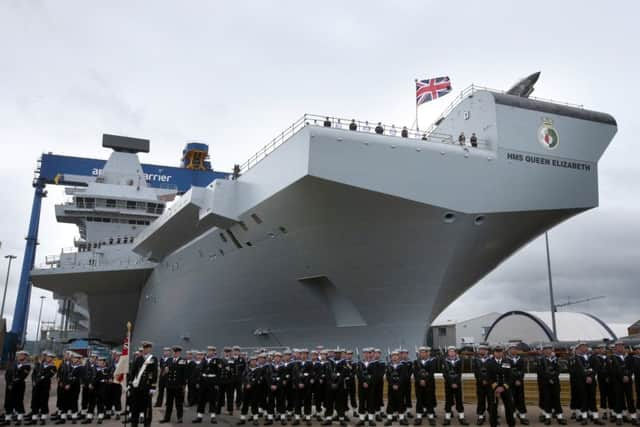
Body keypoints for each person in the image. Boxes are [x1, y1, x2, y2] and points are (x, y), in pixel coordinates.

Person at [570, 342, 603, 425]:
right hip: (581, 382)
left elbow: (596, 367)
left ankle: (595, 417)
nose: (584, 348)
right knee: (583, 399)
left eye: (586, 346)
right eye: (582, 346)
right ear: (579, 348)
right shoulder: (576, 358)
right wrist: (586, 377)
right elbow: (577, 371)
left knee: (592, 399)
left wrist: (591, 377)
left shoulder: (592, 357)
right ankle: (584, 417)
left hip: (591, 381)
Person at [128, 341, 158, 427]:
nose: (145, 349)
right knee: (135, 406)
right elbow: (133, 372)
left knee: (147, 407)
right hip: (137, 386)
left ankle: (147, 423)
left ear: (150, 349)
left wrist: (153, 387)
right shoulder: (138, 358)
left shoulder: (153, 359)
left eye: (147, 348)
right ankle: (134, 423)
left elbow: (155, 373)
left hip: (147, 386)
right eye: (144, 348)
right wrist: (130, 384)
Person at [537, 344, 567, 425]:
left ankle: (560, 417)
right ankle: (547, 417)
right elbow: (540, 372)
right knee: (547, 400)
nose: (547, 351)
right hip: (545, 383)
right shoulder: (540, 360)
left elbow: (558, 370)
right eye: (546, 349)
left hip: (555, 383)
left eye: (549, 349)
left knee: (557, 400)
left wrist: (553, 378)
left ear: (552, 350)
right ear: (543, 351)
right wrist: (549, 379)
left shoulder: (556, 359)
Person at [609, 342, 637, 426]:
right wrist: (622, 377)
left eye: (622, 346)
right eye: (618, 346)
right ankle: (619, 417)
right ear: (615, 348)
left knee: (630, 399)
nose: (620, 348)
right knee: (619, 400)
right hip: (617, 382)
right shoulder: (612, 358)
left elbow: (632, 368)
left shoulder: (629, 357)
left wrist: (628, 375)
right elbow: (613, 370)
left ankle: (633, 418)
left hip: (628, 382)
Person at [486, 345, 515, 427]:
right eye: (496, 352)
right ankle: (493, 424)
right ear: (494, 353)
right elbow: (488, 377)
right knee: (493, 408)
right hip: (493, 388)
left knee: (509, 407)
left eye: (500, 351)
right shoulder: (489, 363)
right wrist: (496, 388)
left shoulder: (507, 362)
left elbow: (510, 377)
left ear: (502, 352)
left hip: (505, 388)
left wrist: (503, 387)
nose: (498, 353)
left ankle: (511, 424)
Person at [194, 346, 224, 424]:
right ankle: (199, 416)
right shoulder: (204, 360)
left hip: (212, 382)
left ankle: (213, 417)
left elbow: (219, 373)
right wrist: (198, 381)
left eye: (211, 351)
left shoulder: (218, 360)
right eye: (208, 350)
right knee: (201, 399)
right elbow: (199, 370)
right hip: (203, 382)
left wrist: (217, 384)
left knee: (212, 400)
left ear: (214, 352)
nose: (209, 352)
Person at [27, 351, 57, 426]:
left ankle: (43, 418)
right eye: (47, 357)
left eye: (50, 357)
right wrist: (33, 381)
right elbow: (33, 374)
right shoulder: (39, 365)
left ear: (52, 359)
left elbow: (48, 376)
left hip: (44, 387)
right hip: (36, 386)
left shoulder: (53, 367)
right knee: (35, 401)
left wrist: (40, 378)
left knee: (44, 402)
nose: (47, 358)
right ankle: (34, 418)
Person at [3, 350, 32, 426]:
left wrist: (12, 383)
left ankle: (19, 419)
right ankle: (7, 419)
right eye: (19, 355)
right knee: (8, 402)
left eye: (22, 355)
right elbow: (7, 374)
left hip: (19, 387)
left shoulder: (27, 366)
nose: (19, 356)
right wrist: (9, 383)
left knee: (18, 402)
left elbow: (22, 377)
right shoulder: (12, 363)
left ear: (25, 356)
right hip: (9, 386)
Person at [160, 346, 187, 424]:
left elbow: (184, 374)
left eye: (176, 352)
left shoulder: (183, 361)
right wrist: (165, 370)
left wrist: (184, 385)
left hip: (178, 386)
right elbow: (164, 371)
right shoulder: (169, 360)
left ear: (179, 353)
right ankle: (167, 418)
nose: (175, 353)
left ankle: (180, 418)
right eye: (174, 352)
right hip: (170, 385)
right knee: (169, 403)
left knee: (179, 403)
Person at [441, 347, 467, 426]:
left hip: (457, 384)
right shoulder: (444, 361)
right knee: (448, 401)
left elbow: (460, 373)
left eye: (453, 351)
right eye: (450, 351)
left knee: (459, 400)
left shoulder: (459, 361)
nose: (451, 353)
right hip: (448, 385)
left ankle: (461, 417)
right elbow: (444, 374)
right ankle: (447, 418)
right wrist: (451, 383)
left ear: (455, 352)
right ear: (448, 353)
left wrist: (456, 383)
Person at [55, 352, 83, 425]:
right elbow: (65, 375)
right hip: (66, 387)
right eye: (73, 358)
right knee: (64, 401)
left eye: (75, 358)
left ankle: (74, 417)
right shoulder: (69, 366)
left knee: (73, 402)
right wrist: (63, 382)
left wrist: (69, 384)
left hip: (75, 387)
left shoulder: (81, 367)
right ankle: (63, 418)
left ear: (79, 360)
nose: (74, 360)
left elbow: (77, 378)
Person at [413, 347, 436, 426]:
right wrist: (420, 380)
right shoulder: (416, 362)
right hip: (419, 385)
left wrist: (425, 380)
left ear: (427, 353)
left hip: (428, 384)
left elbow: (431, 373)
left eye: (424, 352)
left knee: (429, 400)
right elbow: (415, 373)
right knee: (419, 400)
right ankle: (419, 417)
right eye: (421, 352)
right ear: (419, 353)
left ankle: (431, 417)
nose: (422, 354)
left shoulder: (431, 362)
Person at [238, 356, 263, 426]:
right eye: (252, 361)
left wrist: (250, 384)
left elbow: (257, 378)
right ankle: (242, 419)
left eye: (255, 360)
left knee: (254, 404)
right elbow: (243, 378)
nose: (253, 362)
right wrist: (246, 384)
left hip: (255, 389)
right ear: (250, 361)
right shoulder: (246, 369)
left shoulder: (259, 369)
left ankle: (255, 419)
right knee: (245, 404)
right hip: (246, 389)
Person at [385, 351, 408, 426]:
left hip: (400, 387)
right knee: (391, 402)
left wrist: (397, 384)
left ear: (399, 357)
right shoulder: (389, 366)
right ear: (391, 357)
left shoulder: (403, 366)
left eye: (396, 355)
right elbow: (388, 377)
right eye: (393, 356)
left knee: (400, 402)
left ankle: (401, 419)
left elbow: (403, 377)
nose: (394, 357)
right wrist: (392, 385)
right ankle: (390, 418)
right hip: (391, 388)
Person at [507, 344, 529, 425]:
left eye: (515, 349)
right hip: (510, 383)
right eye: (512, 349)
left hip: (519, 383)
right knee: (511, 400)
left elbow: (523, 370)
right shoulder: (505, 360)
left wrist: (519, 380)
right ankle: (512, 415)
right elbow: (506, 371)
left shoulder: (521, 359)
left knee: (520, 399)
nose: (513, 350)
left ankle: (522, 416)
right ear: (509, 350)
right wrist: (514, 380)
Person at [293, 348, 314, 426]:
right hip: (298, 387)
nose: (303, 355)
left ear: (307, 355)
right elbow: (294, 375)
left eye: (305, 354)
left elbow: (310, 375)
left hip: (307, 387)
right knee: (297, 403)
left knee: (307, 402)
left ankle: (308, 418)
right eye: (302, 354)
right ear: (300, 355)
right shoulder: (296, 364)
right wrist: (298, 383)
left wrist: (304, 384)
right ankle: (297, 418)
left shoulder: (310, 364)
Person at [355, 348, 376, 427]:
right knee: (362, 402)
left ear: (370, 354)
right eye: (365, 353)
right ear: (363, 354)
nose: (367, 355)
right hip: (361, 386)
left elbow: (374, 375)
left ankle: (370, 419)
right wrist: (363, 382)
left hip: (370, 386)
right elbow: (358, 374)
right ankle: (361, 419)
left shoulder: (373, 363)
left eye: (368, 353)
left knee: (370, 402)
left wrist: (367, 382)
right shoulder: (360, 363)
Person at [472, 344, 491, 426]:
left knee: (491, 401)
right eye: (481, 349)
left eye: (484, 349)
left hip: (490, 384)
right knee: (481, 400)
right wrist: (482, 380)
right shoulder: (475, 360)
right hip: (480, 384)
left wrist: (487, 380)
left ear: (487, 350)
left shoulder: (491, 359)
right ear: (479, 351)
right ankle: (481, 416)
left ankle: (492, 416)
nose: (482, 351)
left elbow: (492, 371)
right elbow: (475, 371)